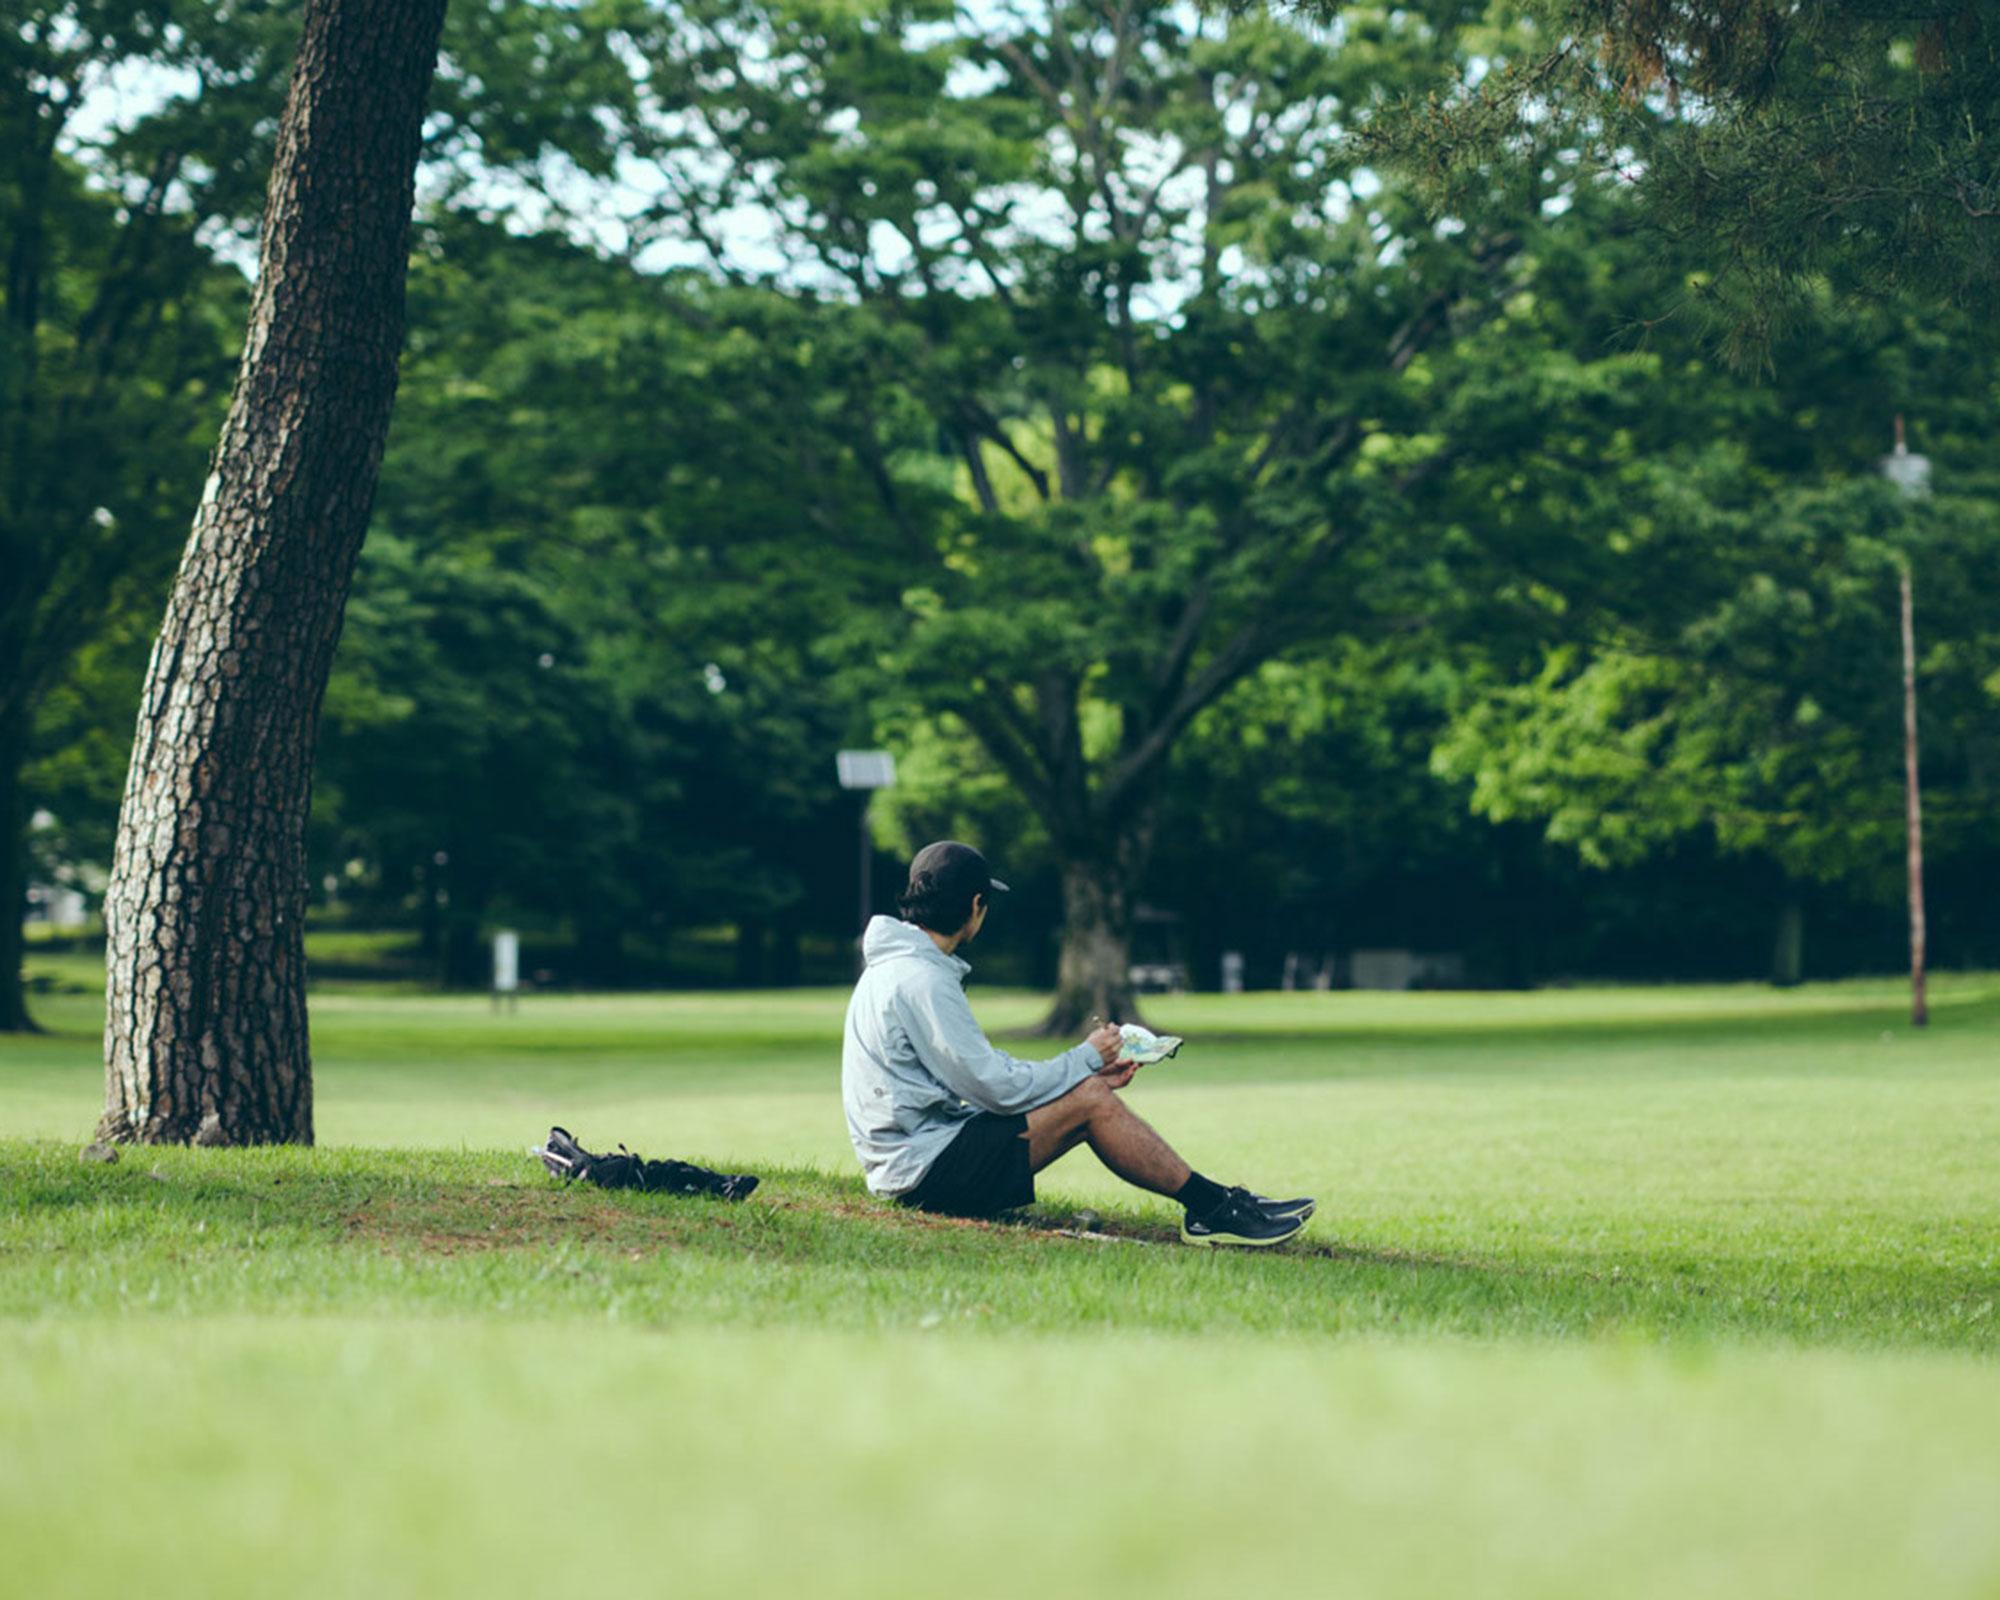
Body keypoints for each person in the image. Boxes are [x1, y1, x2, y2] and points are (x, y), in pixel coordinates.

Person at [841, 840, 1313, 1247]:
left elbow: (984, 1076)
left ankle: (1213, 1205)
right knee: (1090, 1103)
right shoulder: (922, 980)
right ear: (975, 905)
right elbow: (996, 1089)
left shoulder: (897, 969)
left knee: (1087, 1095)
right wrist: (1086, 1058)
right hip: (921, 1174)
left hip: (919, 1158)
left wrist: (1082, 1072)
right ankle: (1214, 1208)